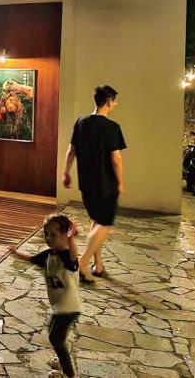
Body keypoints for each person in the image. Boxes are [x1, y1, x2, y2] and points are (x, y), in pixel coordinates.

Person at [62, 85, 126, 282]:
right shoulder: (112, 127)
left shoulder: (81, 122)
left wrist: (66, 173)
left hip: (86, 183)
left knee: (97, 221)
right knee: (104, 224)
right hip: (106, 184)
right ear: (109, 102)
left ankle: (98, 265)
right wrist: (120, 182)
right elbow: (116, 158)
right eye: (114, 101)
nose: (115, 104)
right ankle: (82, 263)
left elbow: (71, 151)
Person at [10, 214, 81, 378]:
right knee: (57, 336)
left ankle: (70, 374)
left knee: (55, 337)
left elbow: (73, 255)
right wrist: (15, 253)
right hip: (60, 306)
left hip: (69, 307)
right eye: (46, 234)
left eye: (53, 234)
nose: (48, 238)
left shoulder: (66, 256)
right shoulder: (49, 254)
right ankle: (63, 361)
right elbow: (32, 259)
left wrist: (71, 238)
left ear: (65, 235)